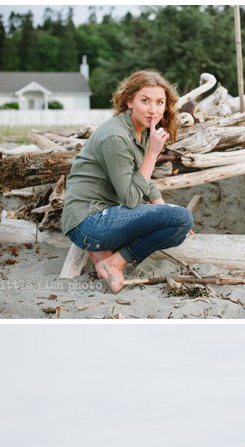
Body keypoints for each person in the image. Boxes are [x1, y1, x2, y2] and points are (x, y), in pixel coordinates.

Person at [60, 70, 194, 294]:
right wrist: (153, 153)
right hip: (88, 221)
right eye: (145, 101)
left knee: (180, 226)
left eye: (159, 102)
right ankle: (114, 262)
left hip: (105, 215)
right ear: (129, 101)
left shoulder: (139, 130)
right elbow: (131, 198)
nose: (153, 110)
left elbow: (141, 178)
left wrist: (165, 211)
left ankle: (105, 254)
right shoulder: (116, 136)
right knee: (183, 217)